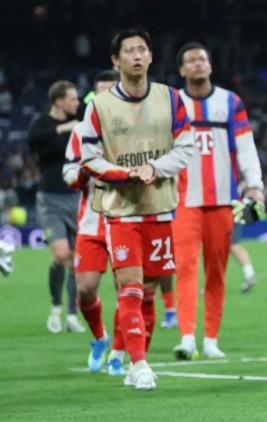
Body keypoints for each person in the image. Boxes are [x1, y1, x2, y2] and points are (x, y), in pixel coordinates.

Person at [76, 28, 197, 390]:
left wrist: (154, 169)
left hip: (160, 207)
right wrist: (125, 173)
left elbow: (187, 147)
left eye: (143, 49)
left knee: (147, 293)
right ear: (116, 60)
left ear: (151, 56)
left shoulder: (171, 98)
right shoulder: (98, 106)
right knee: (129, 287)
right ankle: (142, 365)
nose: (137, 56)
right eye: (129, 51)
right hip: (121, 210)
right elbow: (88, 158)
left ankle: (131, 360)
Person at [171, 43, 266, 360]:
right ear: (182, 70)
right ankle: (187, 338)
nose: (198, 64)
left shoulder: (230, 102)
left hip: (223, 201)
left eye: (203, 59)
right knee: (185, 269)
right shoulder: (172, 103)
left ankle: (211, 339)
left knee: (217, 272)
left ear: (210, 66)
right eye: (191, 60)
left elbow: (246, 145)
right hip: (184, 201)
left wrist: (254, 185)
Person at [63, 70, 119, 373]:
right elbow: (69, 175)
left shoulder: (136, 130)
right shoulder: (82, 131)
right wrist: (85, 171)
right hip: (92, 223)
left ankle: (120, 355)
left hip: (127, 219)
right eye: (101, 92)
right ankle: (100, 337)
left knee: (129, 290)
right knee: (85, 290)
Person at [28, 79, 86, 334]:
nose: (77, 102)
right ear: (59, 101)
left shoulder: (81, 122)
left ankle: (72, 315)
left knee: (76, 259)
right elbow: (34, 140)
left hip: (75, 196)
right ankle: (55, 307)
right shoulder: (43, 123)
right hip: (50, 197)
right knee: (61, 255)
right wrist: (65, 128)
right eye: (72, 99)